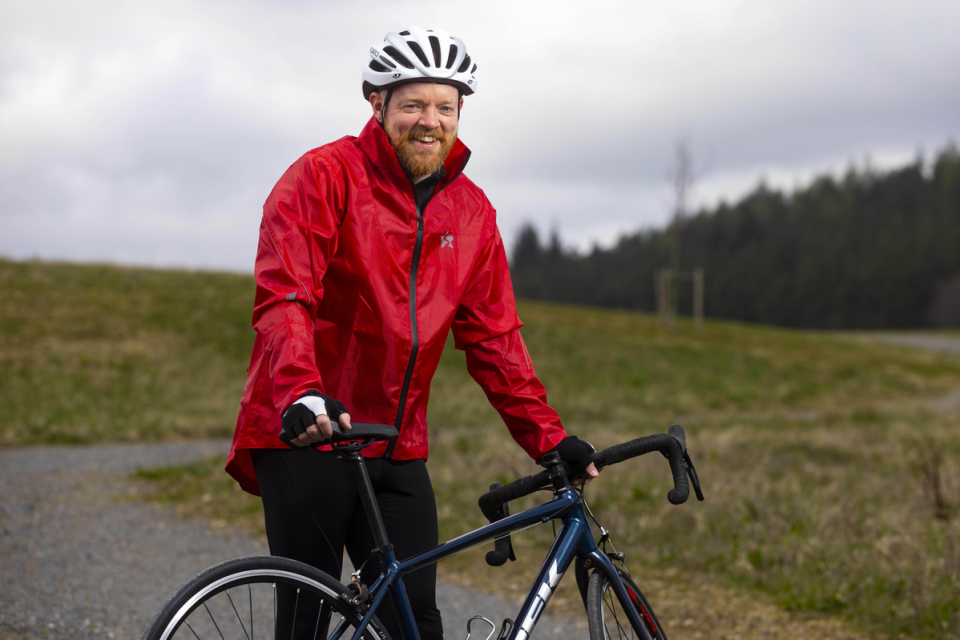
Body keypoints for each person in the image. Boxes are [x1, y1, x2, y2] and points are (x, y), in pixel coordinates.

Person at [225, 26, 598, 640]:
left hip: (397, 444)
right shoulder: (322, 176)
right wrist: (300, 391)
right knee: (304, 620)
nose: (431, 121)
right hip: (311, 430)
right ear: (378, 104)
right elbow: (286, 296)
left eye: (445, 107)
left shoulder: (473, 212)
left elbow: (494, 340)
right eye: (414, 104)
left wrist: (548, 439)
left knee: (415, 622)